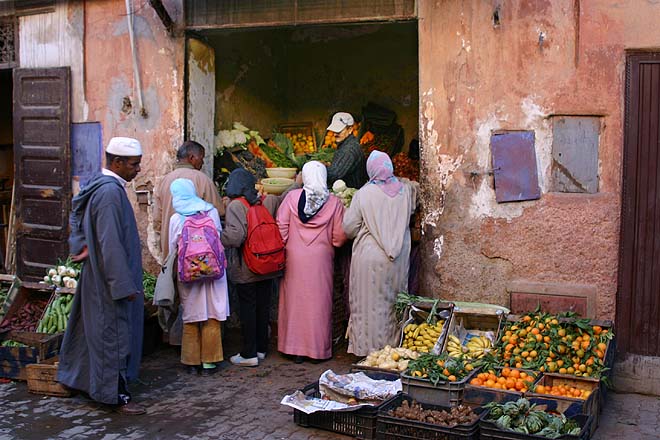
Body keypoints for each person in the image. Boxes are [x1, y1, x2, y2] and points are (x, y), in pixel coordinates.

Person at [58, 137, 146, 415]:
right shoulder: (109, 193)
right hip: (109, 281)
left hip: (98, 276)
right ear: (117, 163)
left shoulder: (98, 185)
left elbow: (77, 213)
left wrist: (81, 244)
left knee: (92, 332)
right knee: (114, 337)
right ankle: (116, 396)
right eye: (134, 165)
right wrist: (123, 285)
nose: (138, 170)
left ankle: (79, 381)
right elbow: (111, 245)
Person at [342, 150, 417, 357]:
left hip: (370, 257)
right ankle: (391, 350)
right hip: (399, 257)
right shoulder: (406, 192)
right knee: (393, 304)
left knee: (368, 306)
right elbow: (410, 212)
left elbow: (348, 228)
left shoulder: (363, 194)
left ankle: (369, 352)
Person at [276, 161, 347, 363]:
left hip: (294, 258)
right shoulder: (334, 203)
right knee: (318, 303)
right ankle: (316, 351)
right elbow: (339, 237)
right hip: (321, 260)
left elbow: (281, 226)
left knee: (294, 302)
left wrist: (287, 244)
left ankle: (294, 349)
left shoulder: (291, 198)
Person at [221, 168, 285, 367]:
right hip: (267, 265)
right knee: (263, 307)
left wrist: (218, 236)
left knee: (247, 310)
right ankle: (261, 349)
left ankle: (249, 354)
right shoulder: (268, 200)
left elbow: (236, 236)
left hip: (247, 267)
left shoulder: (236, 206)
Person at [168, 178, 230, 376]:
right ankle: (210, 362)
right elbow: (218, 237)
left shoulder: (176, 218)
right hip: (213, 272)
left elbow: (172, 246)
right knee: (212, 313)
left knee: (191, 314)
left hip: (189, 272)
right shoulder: (210, 211)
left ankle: (191, 362)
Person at [154, 140, 224, 260]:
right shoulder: (203, 180)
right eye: (201, 158)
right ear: (192, 157)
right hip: (198, 256)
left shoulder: (164, 181)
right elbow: (219, 212)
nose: (202, 162)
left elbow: (157, 220)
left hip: (171, 253)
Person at [325, 112, 368, 189]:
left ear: (350, 129)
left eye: (339, 131)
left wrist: (317, 170)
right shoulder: (345, 144)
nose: (335, 134)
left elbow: (334, 175)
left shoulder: (349, 149)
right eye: (334, 131)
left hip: (351, 192)